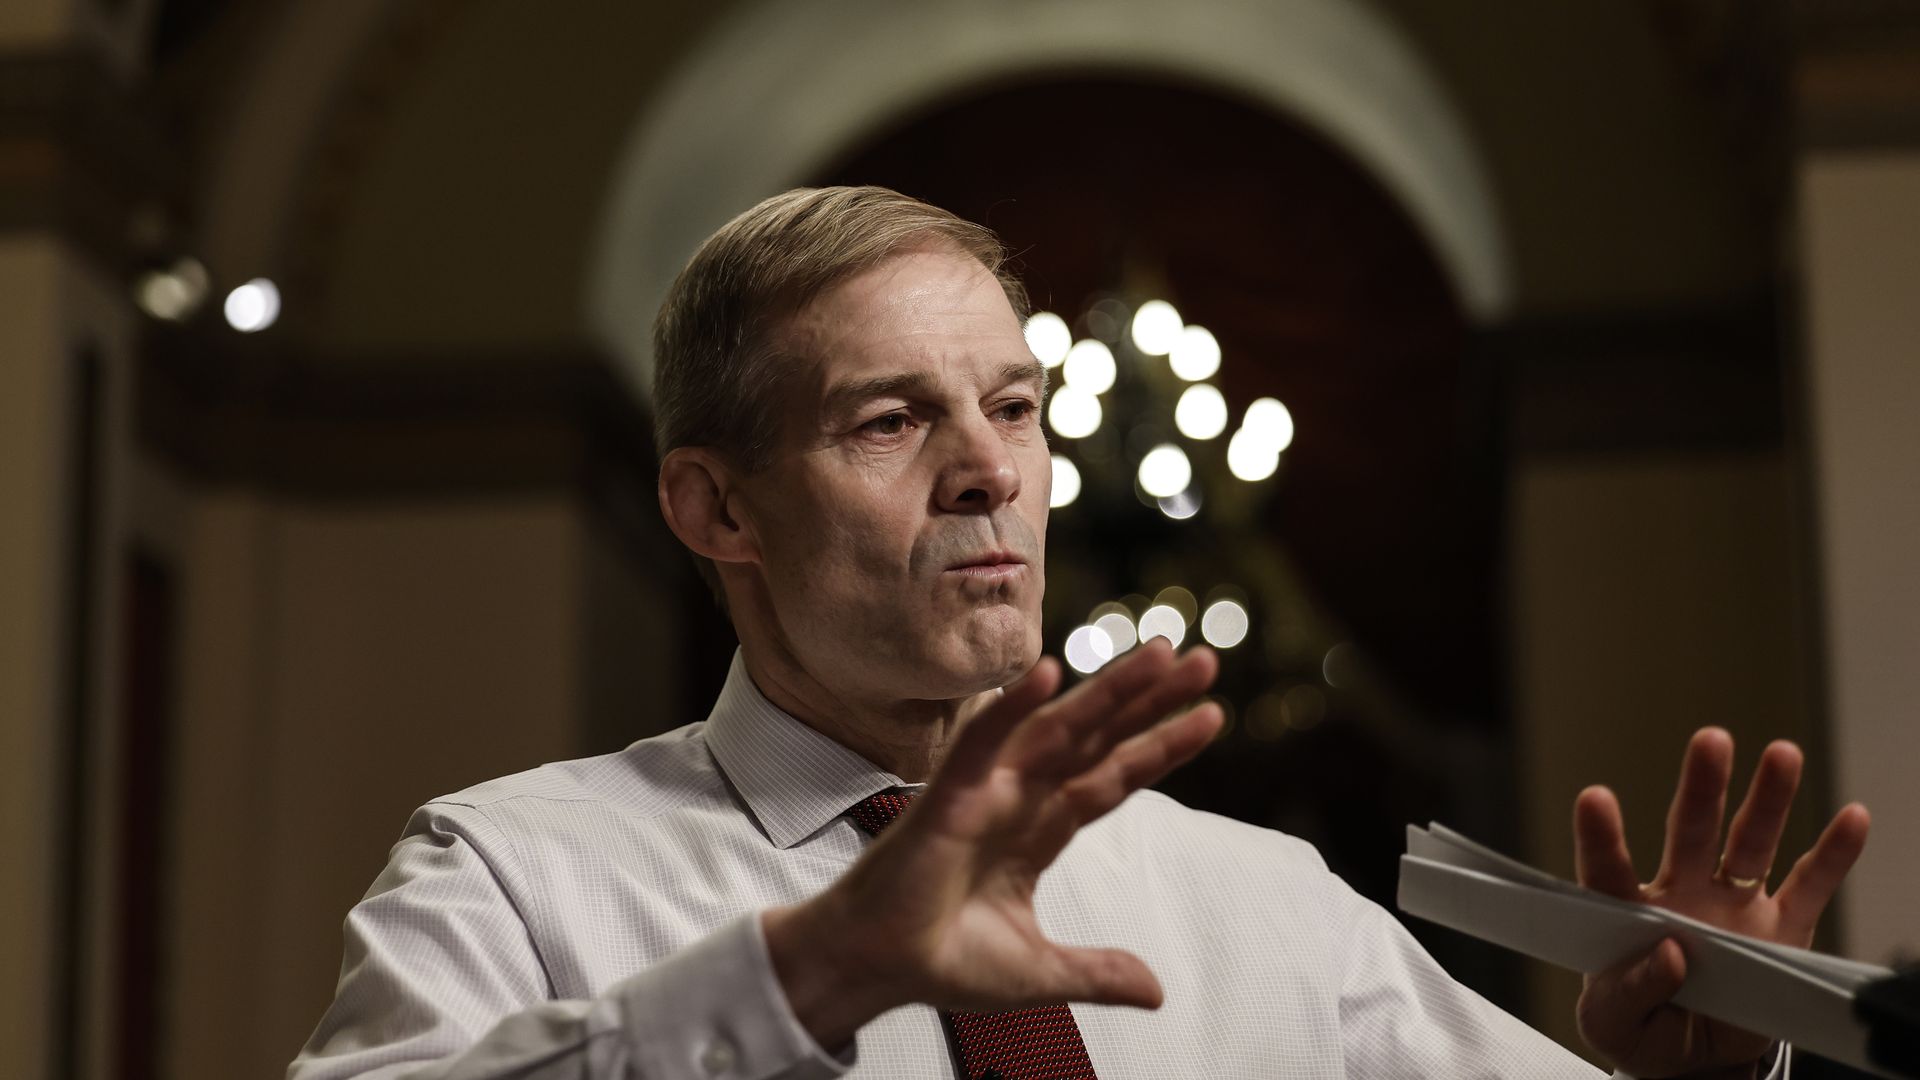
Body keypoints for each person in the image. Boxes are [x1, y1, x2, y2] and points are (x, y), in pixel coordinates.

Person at [288, 187, 1871, 1079]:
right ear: (715, 511)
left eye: (1017, 407)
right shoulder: (514, 873)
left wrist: (1698, 1070)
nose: (992, 470)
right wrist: (816, 971)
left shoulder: (1261, 902)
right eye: (891, 420)